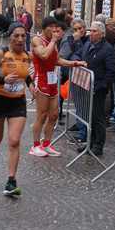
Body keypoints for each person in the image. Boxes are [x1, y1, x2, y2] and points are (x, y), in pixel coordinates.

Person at [0, 22, 34, 196]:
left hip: (17, 103)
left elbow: (25, 75)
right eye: (16, 35)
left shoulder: (27, 55)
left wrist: (32, 87)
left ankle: (11, 181)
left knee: (14, 141)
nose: (20, 39)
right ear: (10, 36)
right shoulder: (1, 54)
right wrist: (2, 80)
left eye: (23, 36)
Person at [30, 16, 86, 157]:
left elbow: (57, 60)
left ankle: (47, 143)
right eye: (52, 28)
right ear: (45, 28)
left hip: (52, 80)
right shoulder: (37, 40)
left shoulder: (52, 42)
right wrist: (54, 41)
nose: (55, 31)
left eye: (56, 29)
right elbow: (43, 55)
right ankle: (35, 145)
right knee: (41, 115)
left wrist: (74, 63)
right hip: (41, 79)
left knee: (54, 115)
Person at [74, 21, 115, 156]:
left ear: (102, 34)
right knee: (89, 116)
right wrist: (76, 60)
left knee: (97, 117)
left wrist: (102, 85)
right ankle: (90, 142)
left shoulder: (107, 49)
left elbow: (111, 71)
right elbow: (78, 54)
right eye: (90, 31)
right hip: (86, 85)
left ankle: (98, 144)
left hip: (98, 88)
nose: (91, 33)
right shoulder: (88, 44)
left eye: (94, 31)